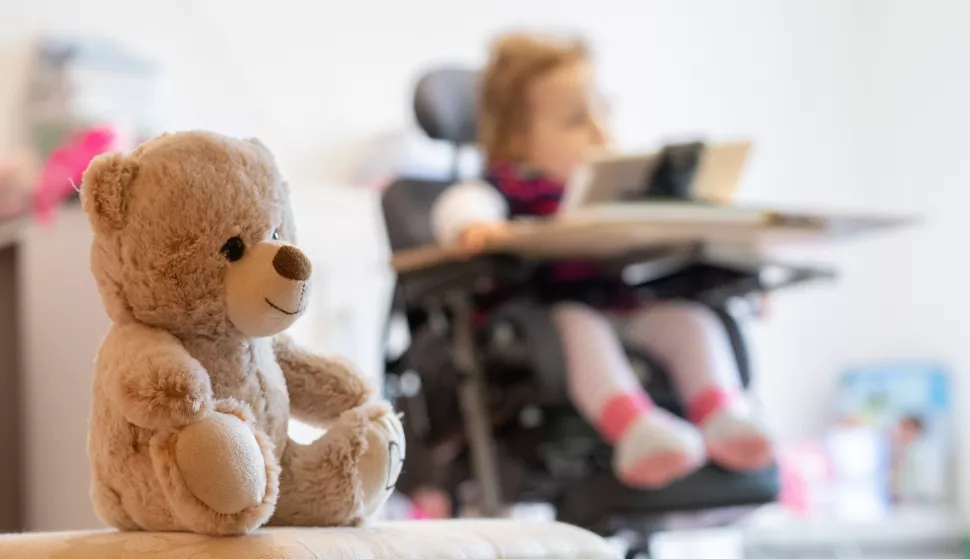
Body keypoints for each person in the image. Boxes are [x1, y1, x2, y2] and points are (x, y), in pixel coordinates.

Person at [430, 32, 772, 489]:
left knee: (690, 321)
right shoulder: (503, 191)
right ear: (516, 138)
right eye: (575, 119)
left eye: (603, 109)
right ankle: (636, 429)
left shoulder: (619, 192)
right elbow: (459, 207)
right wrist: (476, 227)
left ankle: (723, 415)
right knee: (575, 322)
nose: (598, 129)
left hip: (625, 307)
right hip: (545, 322)